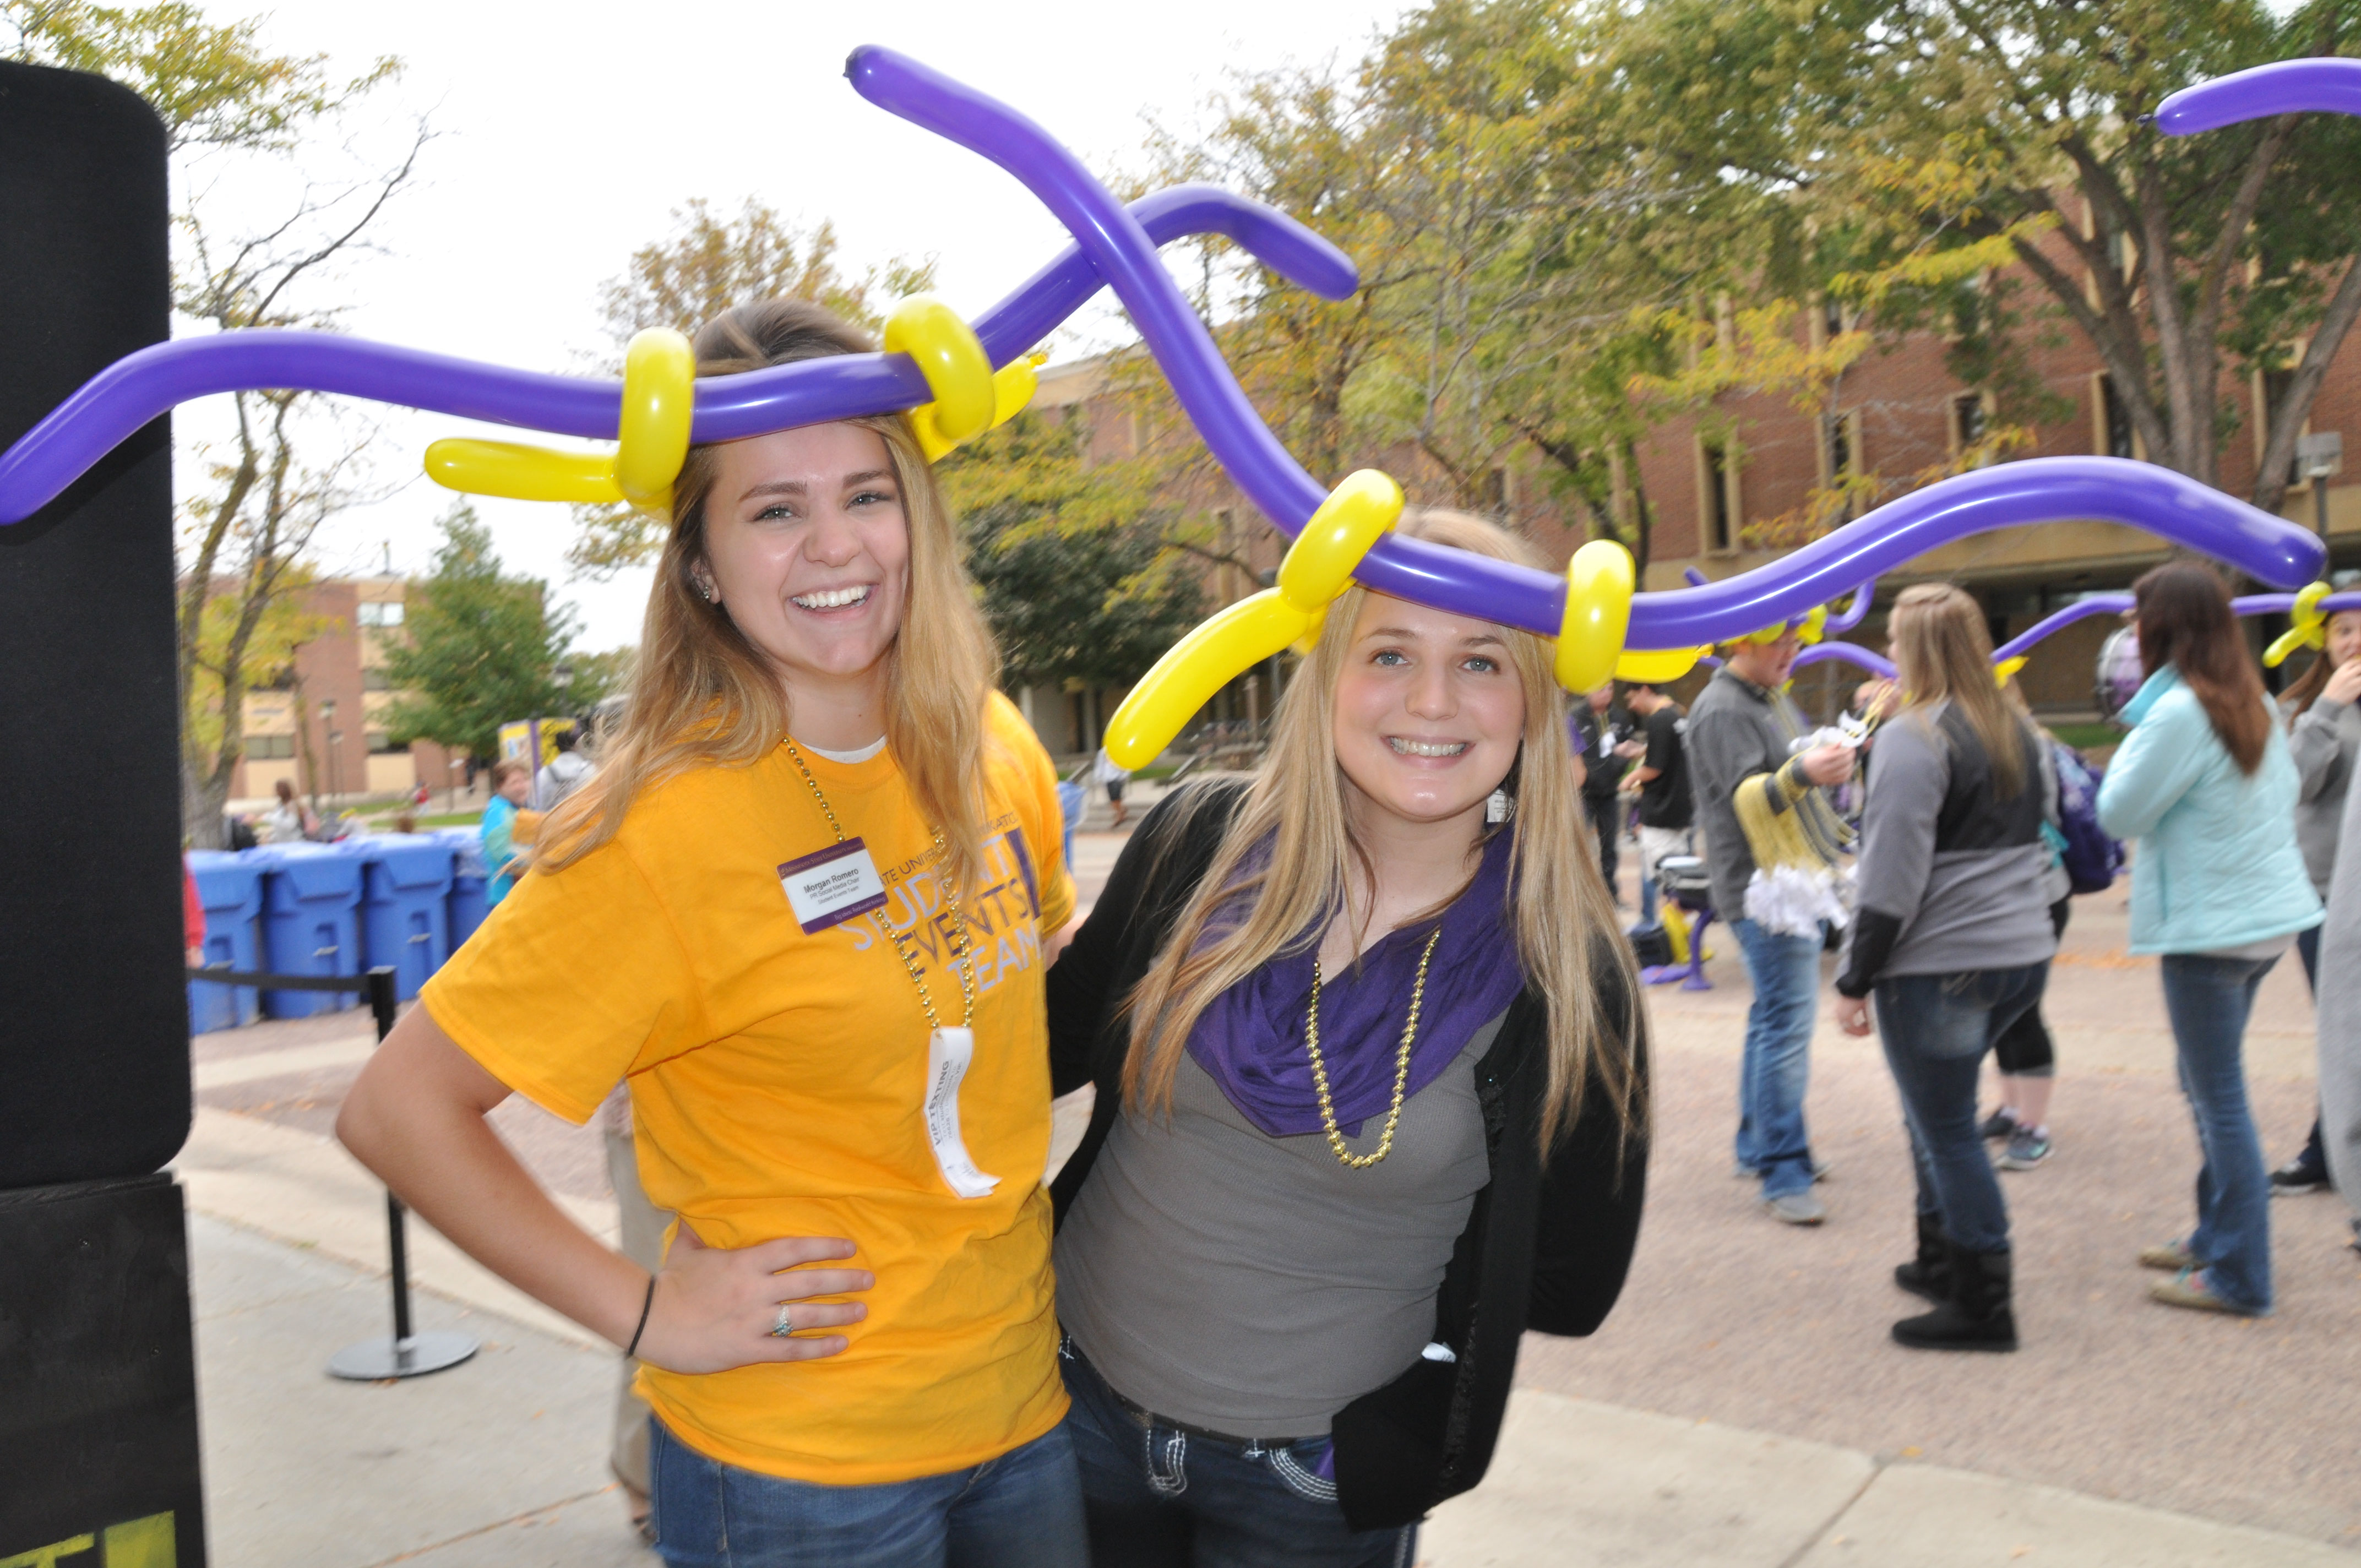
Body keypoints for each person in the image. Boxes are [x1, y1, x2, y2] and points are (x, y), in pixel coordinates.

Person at [336, 298, 1087, 1567]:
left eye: (866, 491)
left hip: (1025, 1412)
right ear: (701, 563)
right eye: (774, 509)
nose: (833, 543)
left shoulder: (992, 745)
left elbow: (1026, 975)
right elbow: (397, 1108)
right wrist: (644, 1312)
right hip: (797, 1474)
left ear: (918, 510)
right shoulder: (656, 828)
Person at [1044, 509, 1649, 1566]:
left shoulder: (1569, 972)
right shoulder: (1192, 842)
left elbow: (1565, 1282)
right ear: (1327, 677)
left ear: (1531, 702)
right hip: (1063, 1413)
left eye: (1479, 660)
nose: (1429, 699)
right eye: (1387, 652)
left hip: (1311, 1491)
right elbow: (1029, 1056)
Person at [1831, 586, 2058, 1351]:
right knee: (1935, 1114)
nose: (1889, 653)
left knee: (1947, 1129)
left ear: (1918, 650)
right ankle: (1942, 1261)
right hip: (2020, 953)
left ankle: (1985, 1305)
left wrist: (1854, 978)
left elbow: (1890, 878)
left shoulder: (1911, 737)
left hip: (1944, 963)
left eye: (1895, 641)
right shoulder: (2017, 730)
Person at [2096, 562, 2321, 1317]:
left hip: (2212, 931)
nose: (2131, 631)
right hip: (2260, 925)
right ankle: (2215, 1236)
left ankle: (2240, 1275)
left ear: (2162, 628)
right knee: (2206, 1088)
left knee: (2218, 1099)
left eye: (2138, 618)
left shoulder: (2177, 713)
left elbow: (2119, 812)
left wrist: (2136, 725)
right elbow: (2284, 791)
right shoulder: (2248, 697)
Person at [1686, 625, 1856, 1223]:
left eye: (1796, 643)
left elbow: (1781, 771)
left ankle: (1760, 1148)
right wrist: (1808, 771)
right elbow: (1746, 797)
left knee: (1772, 1018)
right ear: (1739, 643)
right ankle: (1782, 1168)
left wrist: (1818, 760)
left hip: (1787, 881)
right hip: (1765, 890)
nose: (1791, 654)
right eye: (1777, 643)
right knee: (1786, 1023)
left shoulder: (1766, 695)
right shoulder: (1721, 708)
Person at [2267, 601, 2361, 1194]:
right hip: (2325, 894)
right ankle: (2327, 1151)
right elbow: (2291, 786)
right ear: (2323, 640)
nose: (2354, 642)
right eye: (2344, 630)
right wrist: (2328, 708)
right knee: (2340, 1026)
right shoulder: (2306, 708)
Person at [1618, 680, 1691, 925]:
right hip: (1680, 809)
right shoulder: (1678, 714)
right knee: (1679, 877)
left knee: (1659, 878)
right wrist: (1642, 751)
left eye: (1632, 698)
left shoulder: (1659, 719)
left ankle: (1655, 929)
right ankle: (1681, 935)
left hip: (1661, 810)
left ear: (1645, 691)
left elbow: (1654, 768)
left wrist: (1629, 778)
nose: (1632, 705)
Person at [1572, 683, 1630, 899]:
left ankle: (1610, 894)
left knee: (1610, 845)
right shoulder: (1576, 718)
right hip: (1584, 794)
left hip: (1609, 793)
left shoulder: (1619, 717)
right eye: (1600, 689)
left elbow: (1627, 748)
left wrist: (1615, 768)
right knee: (1580, 846)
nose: (1606, 694)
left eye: (1610, 689)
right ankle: (1581, 896)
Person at [479, 760, 531, 908]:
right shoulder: (498, 813)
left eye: (524, 780)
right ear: (500, 786)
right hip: (507, 899)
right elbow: (501, 852)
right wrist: (537, 857)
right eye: (515, 782)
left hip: (516, 897)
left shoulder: (513, 810)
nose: (522, 786)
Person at [537, 725, 596, 810]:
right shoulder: (590, 769)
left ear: (557, 748)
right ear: (575, 746)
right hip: (583, 821)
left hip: (554, 821)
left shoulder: (544, 773)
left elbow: (541, 807)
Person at [263, 777, 318, 844]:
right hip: (284, 841)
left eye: (277, 789)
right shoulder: (281, 805)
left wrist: (269, 818)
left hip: (294, 841)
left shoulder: (291, 805)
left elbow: (290, 824)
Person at [1095, 745, 1134, 828]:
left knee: (1116, 797)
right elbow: (1100, 765)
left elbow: (1127, 763)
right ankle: (1122, 810)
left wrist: (1125, 775)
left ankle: (1120, 816)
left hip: (1117, 778)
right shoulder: (1103, 752)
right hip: (1108, 779)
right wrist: (1098, 777)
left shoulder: (1120, 750)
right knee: (1113, 799)